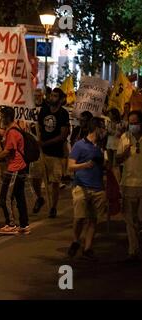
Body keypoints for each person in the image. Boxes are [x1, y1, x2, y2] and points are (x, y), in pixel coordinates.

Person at [0, 106, 30, 235]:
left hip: (15, 169)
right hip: (19, 168)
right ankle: (24, 225)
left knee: (5, 197)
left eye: (2, 116)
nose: (0, 119)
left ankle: (11, 224)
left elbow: (7, 152)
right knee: (19, 197)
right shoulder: (12, 129)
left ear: (7, 117)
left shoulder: (13, 132)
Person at [67, 117, 107, 261]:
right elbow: (70, 166)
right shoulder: (79, 145)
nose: (104, 130)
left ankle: (88, 247)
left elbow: (103, 166)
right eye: (102, 127)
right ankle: (75, 241)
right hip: (81, 187)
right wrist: (85, 165)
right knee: (79, 218)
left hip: (98, 188)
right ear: (96, 128)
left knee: (93, 219)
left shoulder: (101, 147)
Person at [31, 87, 71, 218]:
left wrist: (45, 143)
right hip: (42, 152)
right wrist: (38, 140)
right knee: (34, 177)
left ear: (60, 99)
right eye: (51, 95)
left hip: (56, 153)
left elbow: (63, 135)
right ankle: (40, 198)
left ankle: (53, 207)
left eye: (55, 96)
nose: (51, 98)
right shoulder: (44, 110)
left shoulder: (63, 114)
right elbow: (40, 128)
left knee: (55, 182)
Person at [116, 110, 142, 263]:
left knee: (139, 220)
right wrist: (124, 154)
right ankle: (133, 251)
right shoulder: (125, 138)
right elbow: (118, 159)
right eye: (130, 124)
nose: (132, 126)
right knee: (130, 221)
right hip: (128, 184)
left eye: (135, 123)